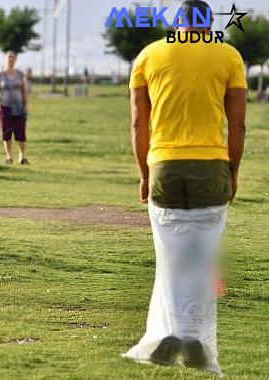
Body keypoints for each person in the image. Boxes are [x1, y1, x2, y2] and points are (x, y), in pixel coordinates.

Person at [123, 1, 247, 376]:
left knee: (171, 256)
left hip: (163, 167)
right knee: (202, 256)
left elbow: (136, 126)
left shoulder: (148, 56)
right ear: (208, 25)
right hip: (211, 168)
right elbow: (237, 125)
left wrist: (144, 174)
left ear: (176, 24)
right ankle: (194, 340)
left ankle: (170, 333)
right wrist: (233, 171)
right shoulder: (228, 57)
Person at [0, 51, 29, 165]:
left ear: (15, 59)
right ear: (5, 59)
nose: (11, 59)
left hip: (19, 107)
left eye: (13, 57)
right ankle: (9, 157)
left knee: (21, 132)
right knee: (6, 132)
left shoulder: (20, 74)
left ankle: (22, 157)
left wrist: (26, 105)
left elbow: (25, 91)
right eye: (9, 57)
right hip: (5, 107)